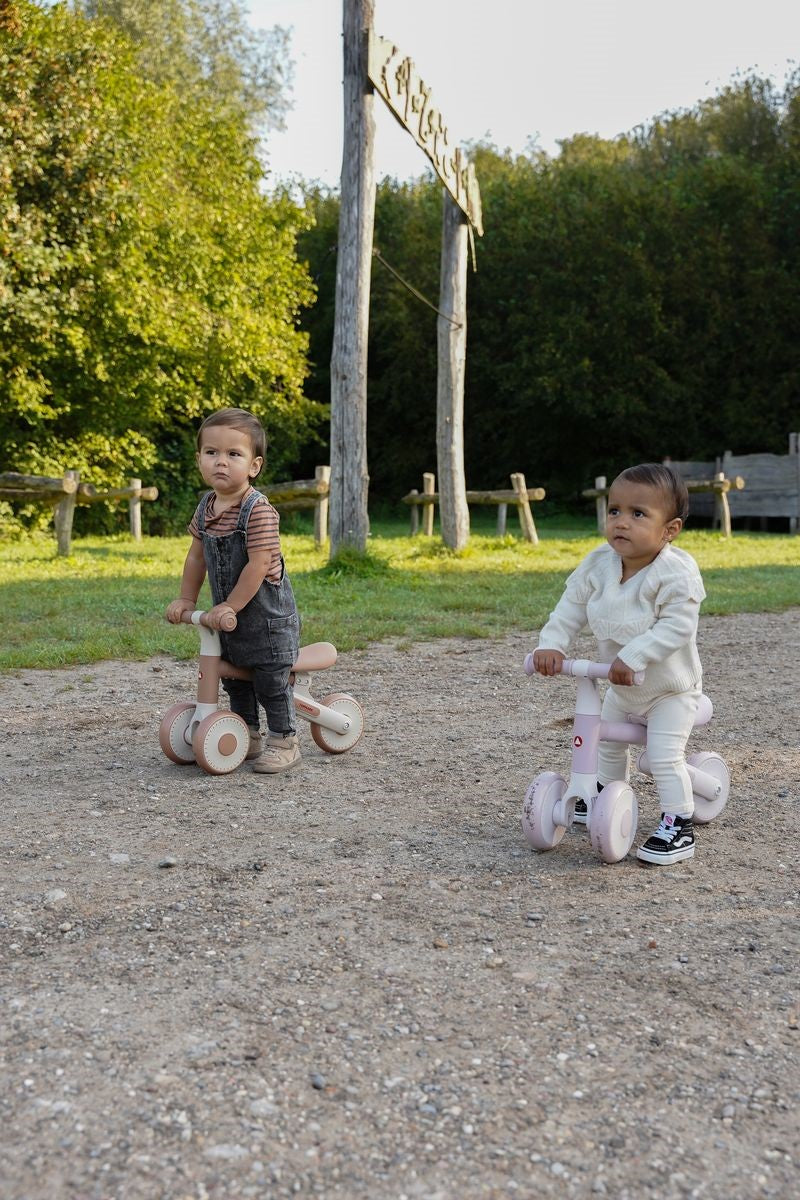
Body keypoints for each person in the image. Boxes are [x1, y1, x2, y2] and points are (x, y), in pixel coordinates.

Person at [533, 463, 706, 865]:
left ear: (670, 530)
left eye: (638, 514)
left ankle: (679, 823)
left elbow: (678, 627)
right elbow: (570, 609)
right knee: (605, 743)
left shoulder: (675, 573)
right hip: (623, 687)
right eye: (614, 511)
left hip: (670, 690)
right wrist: (552, 646)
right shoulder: (598, 564)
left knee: (663, 757)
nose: (621, 522)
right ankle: (605, 802)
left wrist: (634, 655)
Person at [166, 407, 301, 773]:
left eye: (233, 454)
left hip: (266, 620)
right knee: (233, 677)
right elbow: (197, 558)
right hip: (229, 619)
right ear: (199, 460)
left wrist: (230, 605)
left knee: (270, 681)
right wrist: (186, 599)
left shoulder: (258, 511)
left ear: (254, 465)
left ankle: (284, 739)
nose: (220, 462)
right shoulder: (206, 507)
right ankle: (248, 733)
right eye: (212, 453)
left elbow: (258, 566)